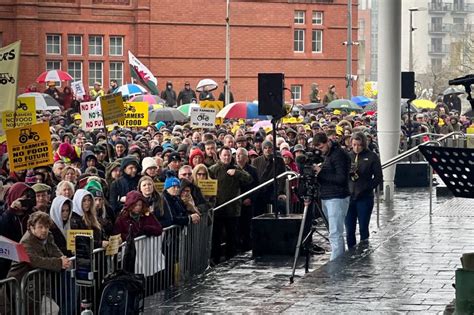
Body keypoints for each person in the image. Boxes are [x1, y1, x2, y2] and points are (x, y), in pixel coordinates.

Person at [7, 212, 71, 314]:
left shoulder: (48, 236)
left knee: (51, 309)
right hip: (21, 285)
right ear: (32, 228)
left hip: (39, 286)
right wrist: (59, 263)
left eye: (46, 227)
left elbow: (55, 250)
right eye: (40, 227)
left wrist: (63, 259)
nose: (44, 230)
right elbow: (35, 261)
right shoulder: (26, 242)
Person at [208, 146, 252, 264]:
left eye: (228, 155)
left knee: (232, 236)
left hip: (233, 209)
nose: (227, 157)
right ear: (220, 156)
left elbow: (249, 178)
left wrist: (237, 173)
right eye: (224, 155)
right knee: (216, 236)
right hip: (218, 208)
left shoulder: (236, 168)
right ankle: (215, 258)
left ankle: (231, 258)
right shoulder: (213, 169)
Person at [312, 132, 351, 261]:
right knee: (333, 232)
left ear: (328, 142)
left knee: (335, 233)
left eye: (321, 147)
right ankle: (338, 260)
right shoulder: (329, 155)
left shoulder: (338, 155)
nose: (320, 151)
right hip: (328, 196)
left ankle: (336, 264)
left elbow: (341, 178)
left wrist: (321, 172)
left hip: (337, 197)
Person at [345, 132, 383, 249]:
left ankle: (364, 250)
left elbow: (378, 177)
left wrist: (367, 187)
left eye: (359, 145)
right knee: (349, 229)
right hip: (349, 196)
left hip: (364, 196)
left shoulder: (372, 156)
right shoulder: (348, 156)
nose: (356, 148)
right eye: (354, 145)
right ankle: (351, 251)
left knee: (363, 227)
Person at [0, 183, 37, 279]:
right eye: (22, 198)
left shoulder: (32, 215)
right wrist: (10, 211)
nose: (25, 201)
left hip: (28, 262)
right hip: (7, 262)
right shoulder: (4, 213)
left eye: (28, 198)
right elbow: (2, 228)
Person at [251, 140, 287, 215]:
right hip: (260, 191)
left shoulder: (279, 160)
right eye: (265, 148)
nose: (268, 150)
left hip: (273, 190)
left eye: (270, 148)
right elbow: (254, 178)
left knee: (281, 204)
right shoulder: (256, 161)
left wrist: (281, 192)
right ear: (262, 149)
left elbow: (283, 177)